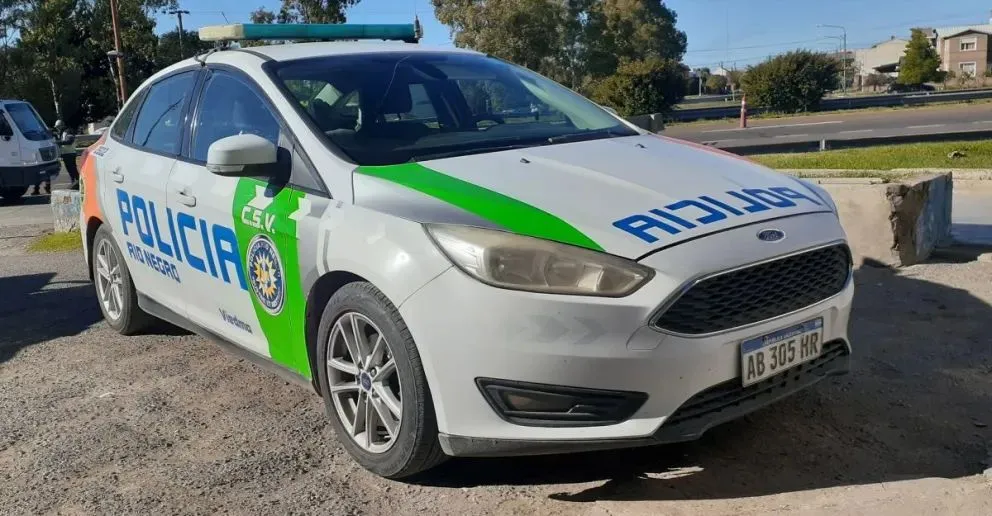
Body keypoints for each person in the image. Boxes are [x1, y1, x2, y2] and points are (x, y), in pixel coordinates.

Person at [54, 120, 78, 190]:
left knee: (72, 170)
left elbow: (69, 141)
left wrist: (58, 142)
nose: (57, 128)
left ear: (61, 126)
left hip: (70, 153)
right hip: (66, 153)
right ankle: (74, 183)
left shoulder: (68, 131)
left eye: (58, 127)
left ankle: (77, 184)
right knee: (70, 170)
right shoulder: (62, 132)